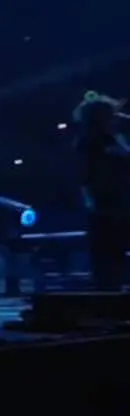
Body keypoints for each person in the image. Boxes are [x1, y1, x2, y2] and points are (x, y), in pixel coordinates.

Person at [73, 95, 130, 291]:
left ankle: (110, 293)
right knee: (108, 257)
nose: (117, 119)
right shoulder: (96, 141)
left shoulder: (98, 140)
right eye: (112, 115)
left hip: (111, 204)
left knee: (109, 256)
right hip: (108, 205)